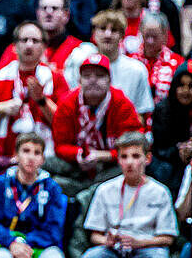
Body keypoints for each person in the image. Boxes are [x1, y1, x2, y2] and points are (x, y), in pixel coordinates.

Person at [50, 52, 145, 196]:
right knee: (45, 164)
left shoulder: (121, 103)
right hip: (77, 164)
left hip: (110, 164)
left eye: (100, 76)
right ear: (79, 80)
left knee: (128, 166)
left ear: (109, 80)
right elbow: (60, 146)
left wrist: (104, 155)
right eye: (87, 76)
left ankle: (85, 194)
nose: (93, 80)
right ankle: (87, 191)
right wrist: (79, 154)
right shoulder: (67, 103)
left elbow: (135, 145)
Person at [0, 21, 67, 157]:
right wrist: (0, 109)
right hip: (4, 153)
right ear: (14, 46)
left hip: (45, 154)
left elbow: (64, 123)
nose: (29, 45)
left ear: (44, 47)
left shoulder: (55, 78)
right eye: (24, 40)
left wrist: (42, 101)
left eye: (35, 41)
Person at [150, 60, 192, 192]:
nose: (185, 91)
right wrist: (178, 150)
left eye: (191, 86)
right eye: (181, 85)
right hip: (170, 162)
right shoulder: (163, 109)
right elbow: (160, 148)